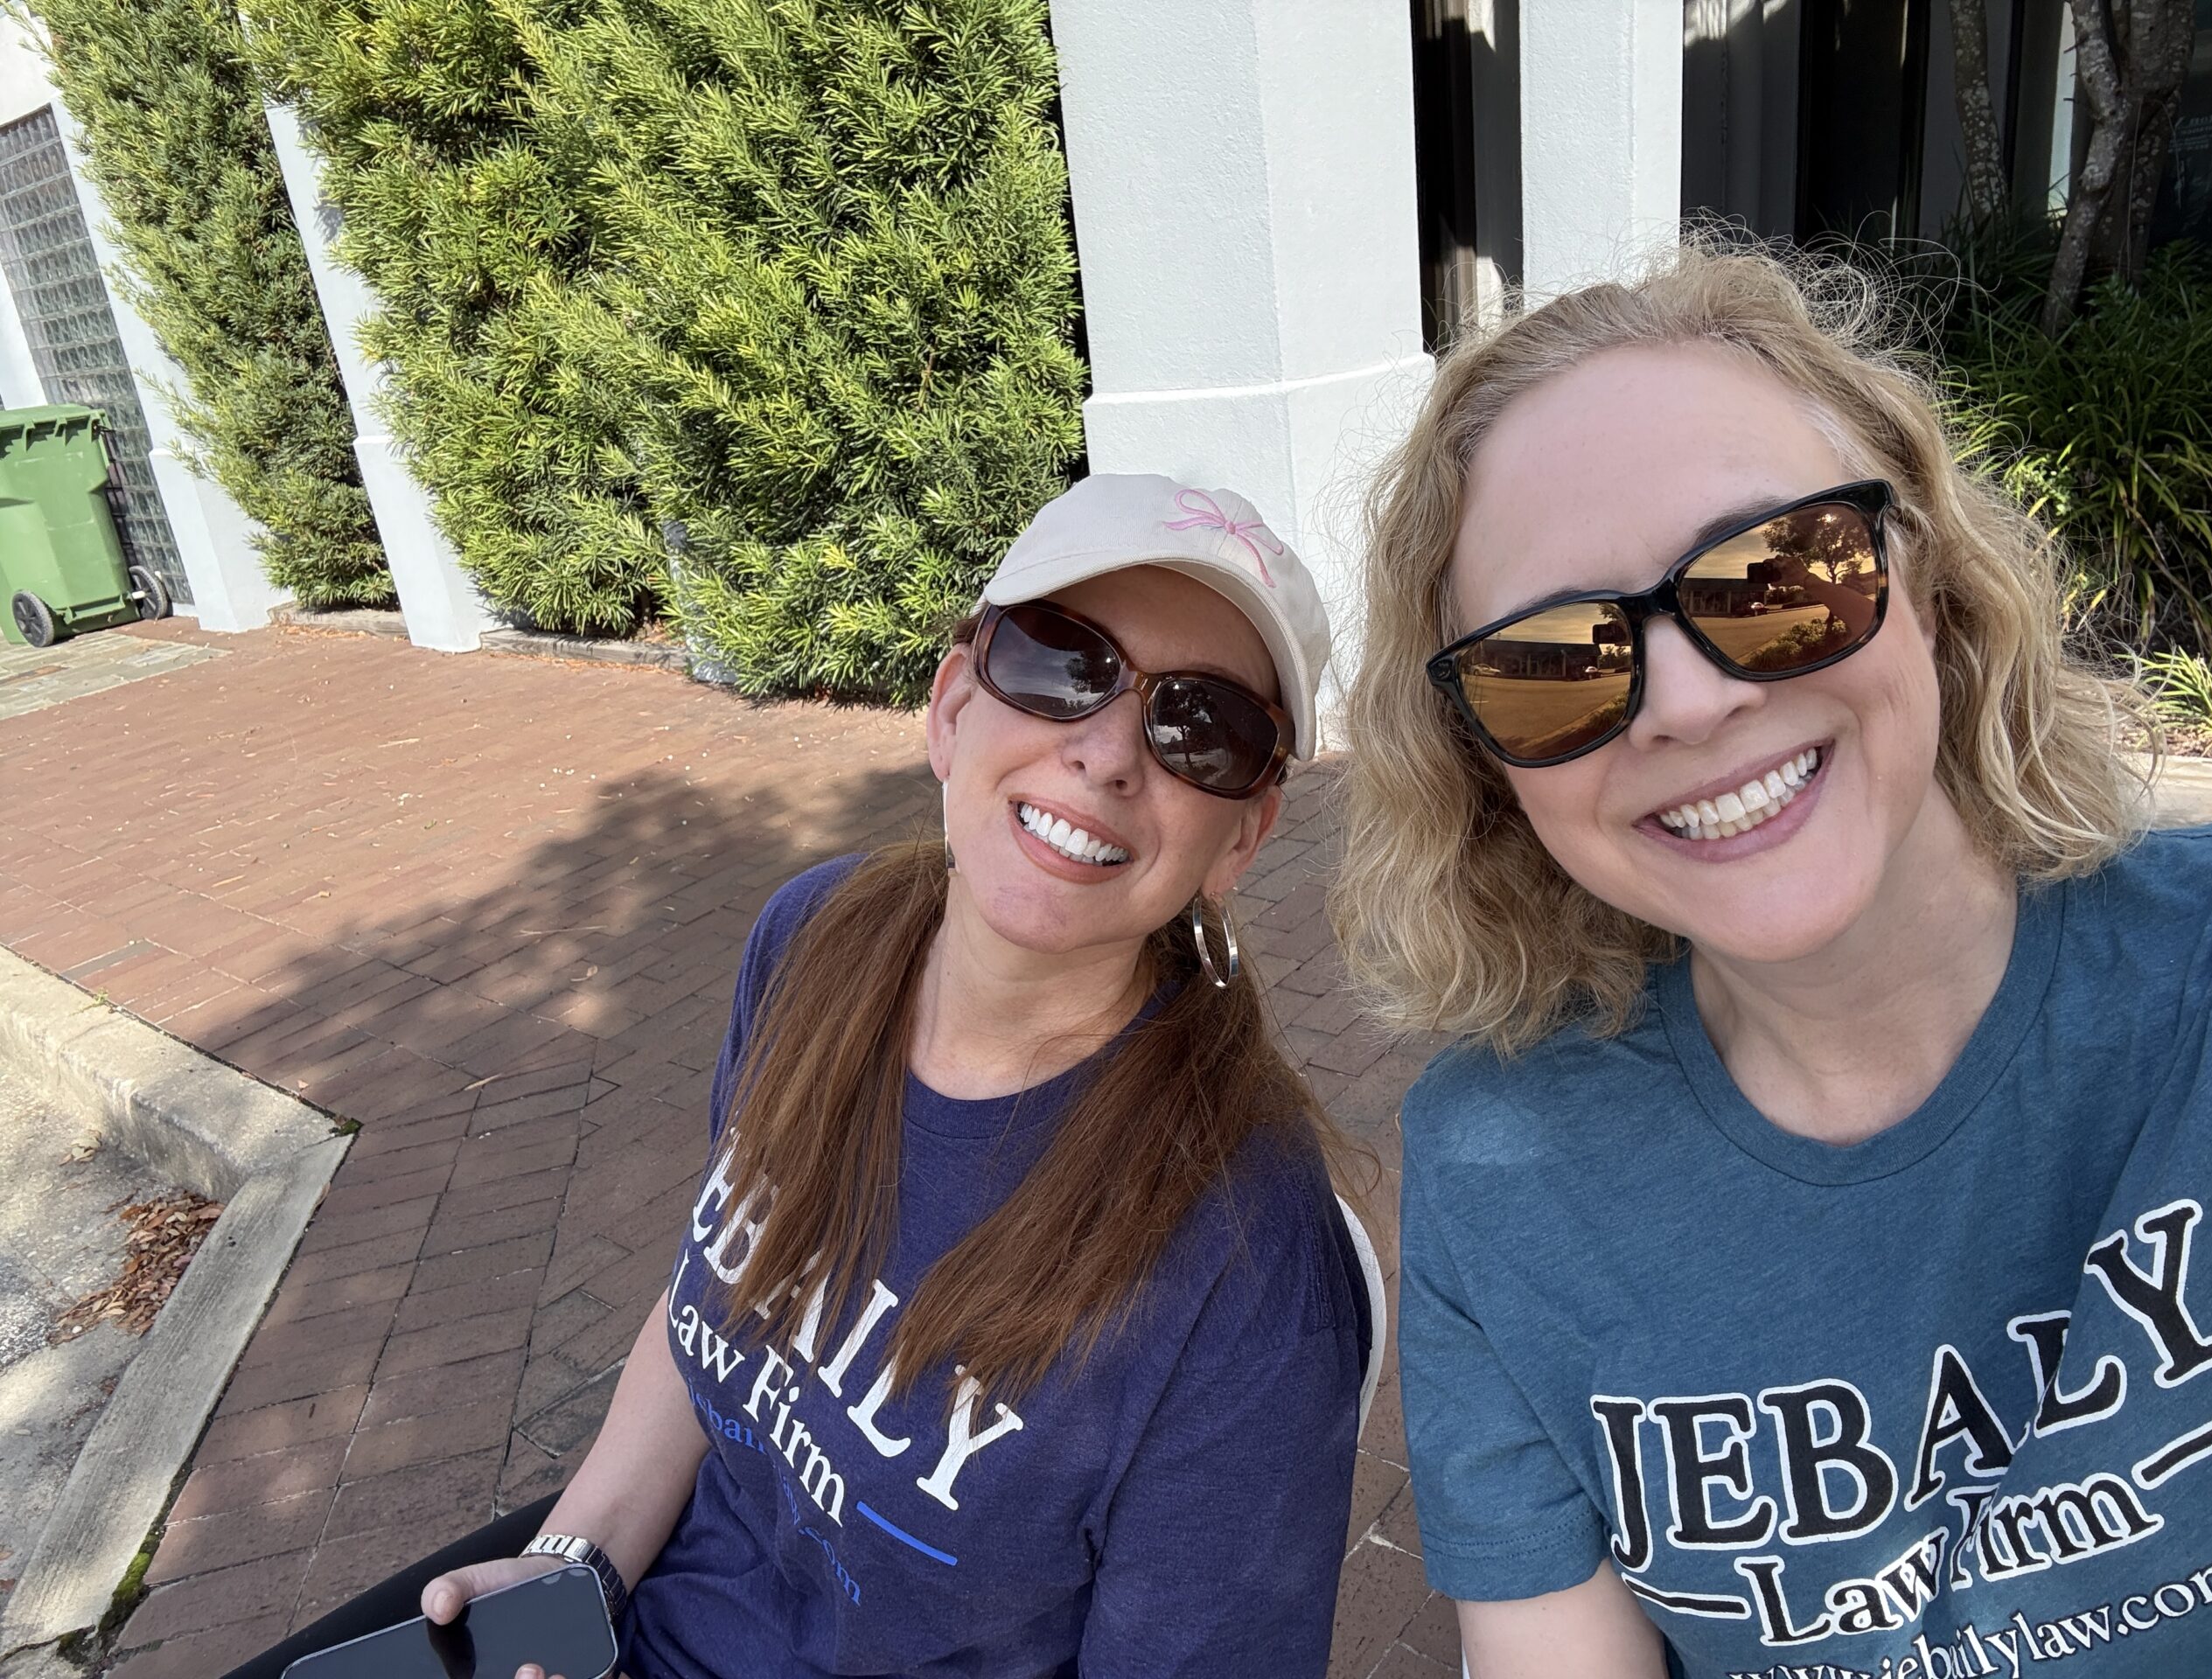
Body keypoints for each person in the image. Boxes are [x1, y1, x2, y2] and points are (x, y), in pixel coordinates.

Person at [228, 472, 1368, 1679]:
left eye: (1202, 729)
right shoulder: (815, 940)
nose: (1107, 753)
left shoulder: (1248, 1276)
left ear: (1242, 835)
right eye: (1061, 660)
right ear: (949, 706)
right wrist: (573, 1569)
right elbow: (714, 1298)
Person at [1332, 246, 2212, 1677]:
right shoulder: (1503, 1174)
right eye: (1555, 661)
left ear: (1921, 575)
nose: (1687, 702)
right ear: (1488, 768)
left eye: (1779, 575)